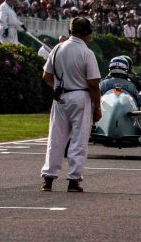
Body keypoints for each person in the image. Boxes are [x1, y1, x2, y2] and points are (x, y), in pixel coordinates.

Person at [40, 17, 101, 193]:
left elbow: (46, 76)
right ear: (86, 32)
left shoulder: (58, 48)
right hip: (80, 95)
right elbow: (93, 84)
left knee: (55, 137)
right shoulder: (87, 53)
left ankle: (48, 178)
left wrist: (59, 87)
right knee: (79, 139)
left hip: (60, 96)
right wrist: (97, 106)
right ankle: (74, 180)